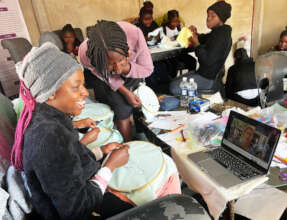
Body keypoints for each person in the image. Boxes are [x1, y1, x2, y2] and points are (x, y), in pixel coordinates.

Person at [11, 42, 132, 220]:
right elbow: (76, 209)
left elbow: (67, 162)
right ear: (50, 92)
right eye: (76, 86)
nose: (85, 93)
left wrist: (101, 151)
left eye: (83, 85)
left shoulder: (50, 118)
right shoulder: (49, 136)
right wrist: (109, 167)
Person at [79, 20, 153, 142]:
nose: (118, 70)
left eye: (120, 59)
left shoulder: (135, 34)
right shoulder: (86, 55)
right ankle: (128, 145)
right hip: (106, 77)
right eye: (110, 64)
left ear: (127, 52)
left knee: (139, 102)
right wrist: (125, 91)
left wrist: (126, 66)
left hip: (134, 69)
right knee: (121, 106)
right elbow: (103, 75)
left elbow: (147, 69)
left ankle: (140, 134)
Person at [170, 1, 232, 95]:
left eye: (213, 16)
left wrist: (196, 44)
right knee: (175, 81)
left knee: (173, 87)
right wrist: (195, 34)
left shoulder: (221, 37)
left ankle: (195, 97)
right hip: (204, 73)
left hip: (207, 78)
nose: (208, 18)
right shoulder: (217, 32)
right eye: (208, 15)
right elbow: (203, 38)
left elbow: (207, 60)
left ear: (221, 19)